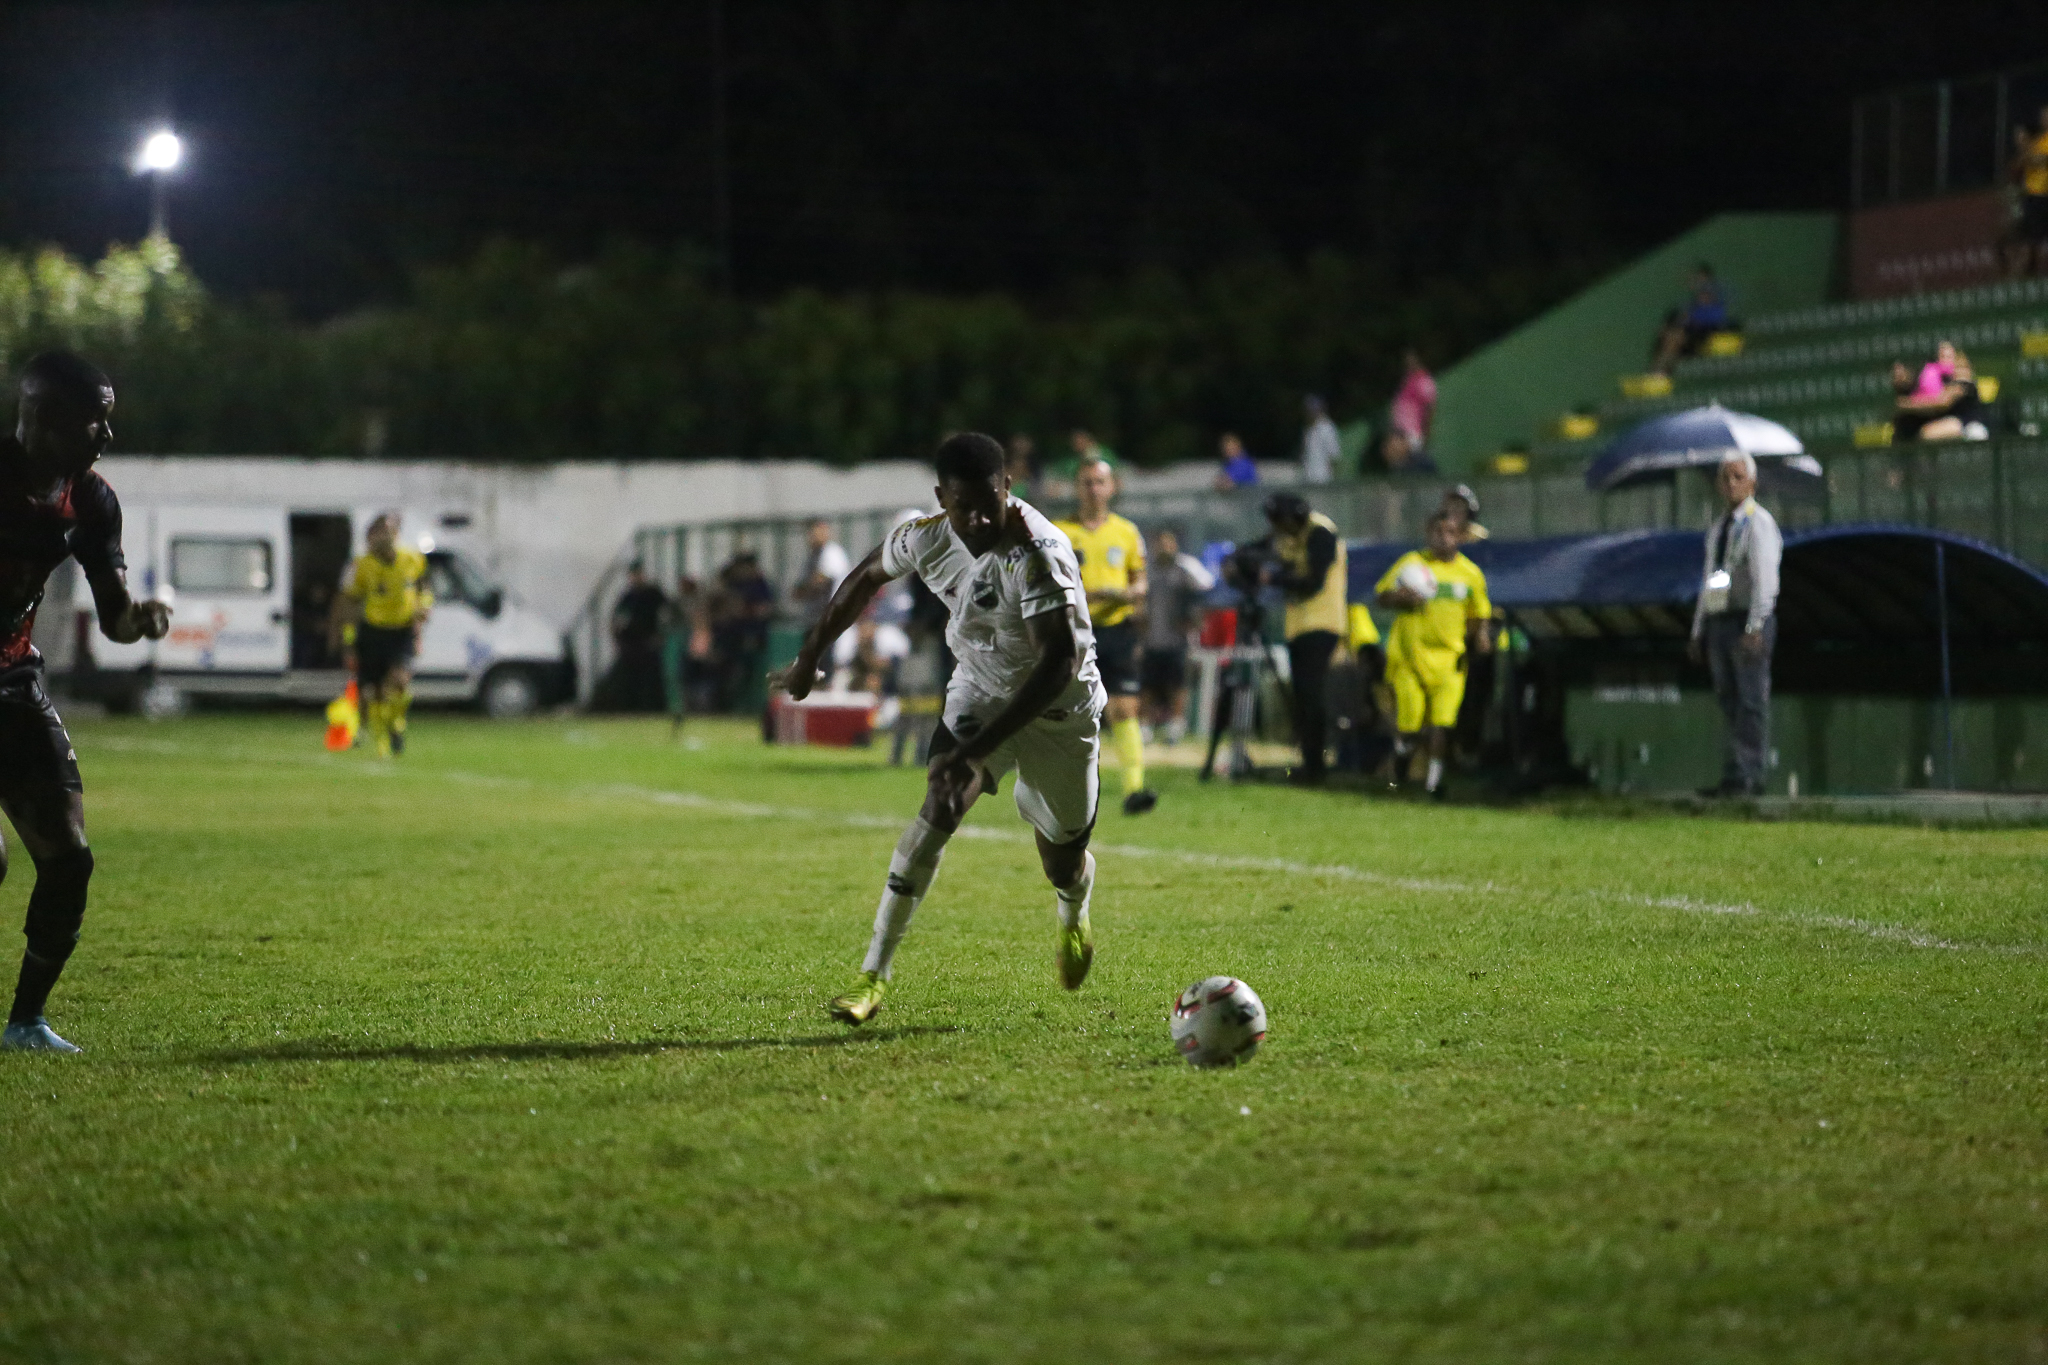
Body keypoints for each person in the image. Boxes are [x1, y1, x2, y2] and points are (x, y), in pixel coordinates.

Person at [776, 432, 1107, 1025]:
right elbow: (865, 576)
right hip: (980, 690)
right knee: (940, 805)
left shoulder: (1039, 553)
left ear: (1008, 488)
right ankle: (872, 975)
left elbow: (1055, 664)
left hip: (1059, 710)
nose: (977, 520)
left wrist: (979, 746)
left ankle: (1073, 906)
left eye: (989, 504)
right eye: (963, 507)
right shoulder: (926, 536)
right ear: (941, 499)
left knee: (1062, 858)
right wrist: (810, 655)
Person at [0, 351, 171, 1052]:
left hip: (12, 683)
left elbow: (114, 618)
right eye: (94, 420)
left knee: (69, 858)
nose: (107, 434)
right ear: (42, 418)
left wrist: (139, 619)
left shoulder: (93, 501)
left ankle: (25, 1023)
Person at [1055, 458, 1154, 813]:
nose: (1093, 489)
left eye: (1099, 482)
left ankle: (1134, 789)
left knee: (1125, 707)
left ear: (1112, 488)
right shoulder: (1059, 532)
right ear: (1076, 488)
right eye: (1087, 482)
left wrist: (1127, 594)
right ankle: (1067, 789)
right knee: (1071, 710)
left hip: (1116, 629)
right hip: (1073, 632)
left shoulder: (1126, 532)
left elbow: (1139, 580)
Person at [1376, 512, 1491, 799]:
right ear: (1428, 534)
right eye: (1437, 532)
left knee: (1442, 724)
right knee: (1411, 727)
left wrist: (1479, 636)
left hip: (1449, 659)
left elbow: (1479, 612)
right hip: (1410, 657)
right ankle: (1399, 769)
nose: (1443, 538)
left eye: (1450, 532)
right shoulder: (1412, 563)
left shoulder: (1470, 573)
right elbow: (1382, 595)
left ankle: (1433, 784)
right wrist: (1400, 598)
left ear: (1460, 537)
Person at [1689, 452, 1781, 798]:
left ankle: (1750, 774)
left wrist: (1755, 625)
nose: (1731, 484)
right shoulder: (1719, 529)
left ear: (1752, 483)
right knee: (1729, 699)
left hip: (1746, 619)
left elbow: (1765, 580)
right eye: (1725, 477)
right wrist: (1700, 627)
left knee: (1750, 700)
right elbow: (1712, 578)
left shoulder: (1758, 523)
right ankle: (1734, 771)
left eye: (1738, 477)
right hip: (1722, 618)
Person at [1255, 492, 1348, 786]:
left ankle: (1316, 766)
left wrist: (1273, 578)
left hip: (1323, 622)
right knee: (1302, 695)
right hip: (1298, 626)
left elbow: (1313, 582)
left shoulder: (1321, 533)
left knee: (1310, 694)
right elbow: (1263, 548)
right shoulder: (1292, 535)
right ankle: (1309, 762)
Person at [332, 512, 433, 757]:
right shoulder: (362, 565)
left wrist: (424, 606)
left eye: (384, 532)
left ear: (394, 535)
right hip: (373, 631)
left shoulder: (412, 558)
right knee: (372, 691)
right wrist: (348, 641)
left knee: (399, 681)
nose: (379, 539)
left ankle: (396, 726)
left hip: (402, 631)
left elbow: (423, 586)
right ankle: (376, 733)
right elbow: (350, 601)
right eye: (375, 534)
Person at [1139, 528, 1214, 746]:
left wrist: (1192, 619)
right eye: (1160, 543)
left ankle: (1175, 725)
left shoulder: (1185, 567)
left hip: (1178, 639)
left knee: (1177, 684)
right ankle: (1145, 726)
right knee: (1148, 685)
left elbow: (1206, 587)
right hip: (1151, 638)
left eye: (1168, 543)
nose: (1164, 548)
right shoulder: (1147, 570)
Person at [604, 560, 669, 712]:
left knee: (649, 678)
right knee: (631, 678)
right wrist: (618, 639)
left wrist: (661, 635)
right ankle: (631, 707)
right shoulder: (628, 596)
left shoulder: (653, 594)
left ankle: (650, 707)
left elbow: (666, 614)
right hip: (631, 644)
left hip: (649, 642)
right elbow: (616, 620)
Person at [790, 519, 851, 626]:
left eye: (817, 532)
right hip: (815, 617)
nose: (812, 537)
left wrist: (805, 588)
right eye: (811, 533)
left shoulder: (832, 551)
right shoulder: (812, 556)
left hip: (833, 615)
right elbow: (796, 592)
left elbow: (820, 581)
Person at [1389, 349, 1437, 455]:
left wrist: (1426, 432)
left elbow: (1430, 408)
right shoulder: (1407, 379)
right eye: (1406, 361)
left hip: (1413, 433)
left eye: (1411, 360)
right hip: (1400, 431)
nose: (1408, 363)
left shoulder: (1424, 381)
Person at [1299, 395, 1340, 486]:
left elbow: (1334, 455)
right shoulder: (1309, 429)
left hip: (1322, 479)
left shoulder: (1327, 428)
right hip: (1308, 477)